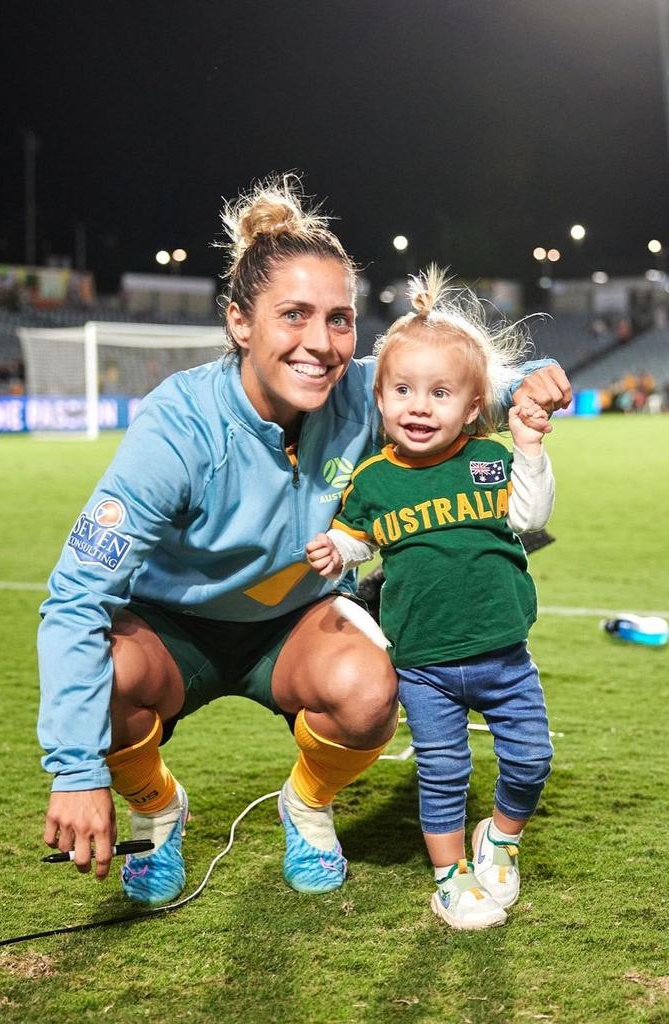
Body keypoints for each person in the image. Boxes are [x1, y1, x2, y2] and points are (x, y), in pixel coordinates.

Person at [38, 179, 571, 905]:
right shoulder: (176, 428)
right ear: (239, 322)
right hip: (172, 631)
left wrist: (527, 387)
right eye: (294, 316)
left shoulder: (360, 394)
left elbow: (451, 384)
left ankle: (307, 803)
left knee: (370, 686)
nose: (321, 343)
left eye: (340, 320)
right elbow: (75, 596)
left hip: (297, 624)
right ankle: (157, 808)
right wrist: (74, 770)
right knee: (106, 678)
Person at [306, 266, 556, 929]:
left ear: (474, 407)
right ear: (381, 399)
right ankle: (450, 878)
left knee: (532, 760)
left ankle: (499, 838)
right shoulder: (374, 478)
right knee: (443, 772)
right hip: (424, 665)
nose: (420, 406)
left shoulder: (487, 459)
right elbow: (360, 537)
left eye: (440, 393)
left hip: (506, 655)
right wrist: (339, 549)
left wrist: (528, 448)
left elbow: (530, 518)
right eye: (403, 390)